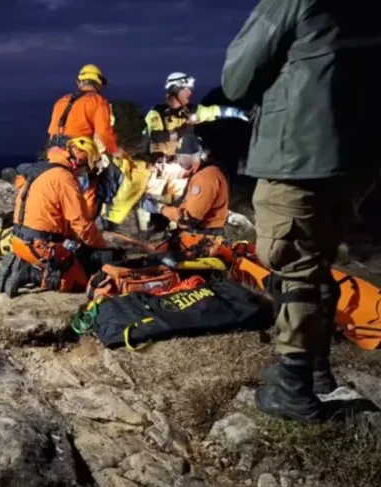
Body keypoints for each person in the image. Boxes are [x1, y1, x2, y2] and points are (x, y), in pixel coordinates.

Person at [222, 0, 379, 422]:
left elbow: (237, 79)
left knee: (292, 263)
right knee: (318, 258)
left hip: (297, 152)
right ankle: (317, 371)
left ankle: (295, 389)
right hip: (358, 157)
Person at [0, 137, 124, 297]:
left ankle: (23, 261)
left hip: (18, 240)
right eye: (85, 167)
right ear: (80, 160)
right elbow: (81, 224)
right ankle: (31, 274)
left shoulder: (43, 169)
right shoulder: (65, 179)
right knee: (79, 282)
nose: (83, 173)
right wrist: (100, 245)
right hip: (41, 246)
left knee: (72, 250)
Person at [139, 135, 229, 236]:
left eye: (179, 156)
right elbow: (182, 205)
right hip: (200, 233)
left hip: (203, 236)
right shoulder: (202, 172)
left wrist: (160, 208)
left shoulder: (204, 178)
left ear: (192, 155)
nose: (177, 160)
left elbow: (188, 220)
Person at [142, 72, 248, 157]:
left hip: (184, 161)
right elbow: (157, 136)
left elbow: (213, 111)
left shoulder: (191, 110)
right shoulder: (157, 112)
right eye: (186, 89)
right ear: (175, 90)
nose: (190, 92)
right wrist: (183, 130)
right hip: (161, 164)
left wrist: (238, 113)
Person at [46, 64, 118, 159]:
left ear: (78, 82)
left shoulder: (61, 101)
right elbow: (104, 132)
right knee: (113, 168)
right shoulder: (99, 101)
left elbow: (52, 132)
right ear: (99, 84)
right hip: (78, 152)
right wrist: (114, 150)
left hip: (53, 151)